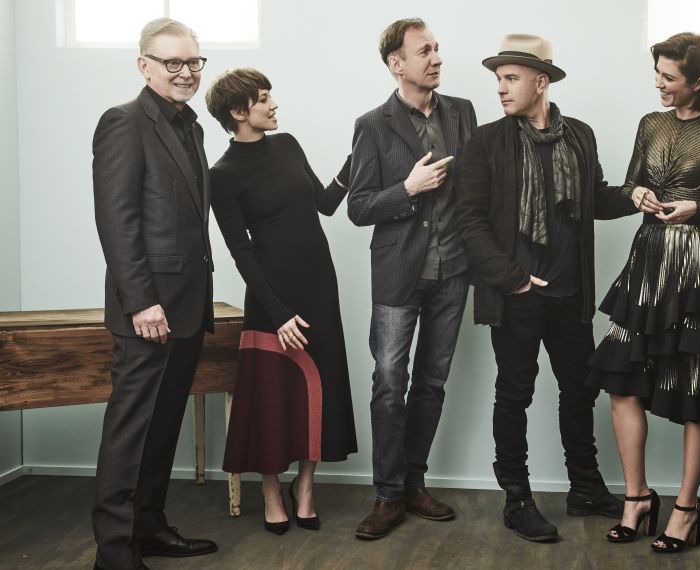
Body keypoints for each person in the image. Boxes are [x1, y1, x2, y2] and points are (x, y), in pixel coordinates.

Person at [456, 33, 633, 543]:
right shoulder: (487, 141)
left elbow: (595, 197)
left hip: (570, 292)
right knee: (514, 395)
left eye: (511, 79)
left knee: (580, 389)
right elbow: (469, 221)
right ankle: (516, 498)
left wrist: (632, 195)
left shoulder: (580, 135)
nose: (501, 89)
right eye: (498, 80)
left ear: (541, 81)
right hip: (516, 295)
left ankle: (585, 488)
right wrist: (511, 278)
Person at [587, 31, 700, 553]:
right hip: (647, 260)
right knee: (622, 381)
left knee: (696, 389)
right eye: (656, 73)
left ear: (698, 82)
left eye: (669, 77)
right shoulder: (650, 123)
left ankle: (685, 508)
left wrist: (698, 209)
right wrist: (633, 192)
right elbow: (632, 183)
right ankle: (636, 498)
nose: (658, 83)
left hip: (694, 267)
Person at [204, 68, 357, 536]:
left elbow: (325, 203)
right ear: (238, 111)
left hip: (318, 285)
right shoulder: (221, 177)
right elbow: (240, 252)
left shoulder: (288, 144)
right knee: (272, 396)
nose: (273, 106)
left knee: (322, 385)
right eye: (264, 99)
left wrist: (360, 156)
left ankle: (305, 487)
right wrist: (277, 312)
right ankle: (271, 489)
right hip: (272, 298)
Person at [91, 17, 218, 570]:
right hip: (147, 308)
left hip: (188, 305)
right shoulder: (122, 123)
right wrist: (141, 301)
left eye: (193, 61)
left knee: (164, 426)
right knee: (131, 432)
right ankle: (115, 554)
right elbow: (117, 222)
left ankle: (150, 528)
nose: (186, 71)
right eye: (173, 62)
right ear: (144, 66)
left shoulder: (193, 127)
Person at [347, 18, 477, 540]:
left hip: (454, 272)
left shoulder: (464, 112)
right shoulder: (372, 124)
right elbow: (357, 207)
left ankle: (415, 483)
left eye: (438, 49)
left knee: (432, 382)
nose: (437, 58)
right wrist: (407, 187)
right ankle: (387, 494)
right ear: (397, 64)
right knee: (388, 386)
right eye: (425, 51)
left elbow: (479, 185)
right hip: (400, 274)